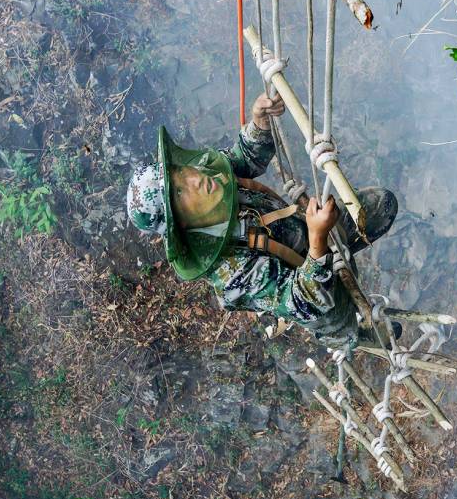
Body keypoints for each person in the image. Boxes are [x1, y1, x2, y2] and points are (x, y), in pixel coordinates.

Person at [126, 91, 398, 348]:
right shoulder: (229, 273)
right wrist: (318, 239)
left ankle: (339, 249)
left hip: (303, 232)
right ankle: (356, 334)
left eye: (181, 174)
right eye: (181, 192)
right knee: (339, 321)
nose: (195, 179)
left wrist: (259, 123)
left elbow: (242, 159)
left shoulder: (208, 179)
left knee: (382, 205)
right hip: (309, 290)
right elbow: (302, 302)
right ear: (180, 223)